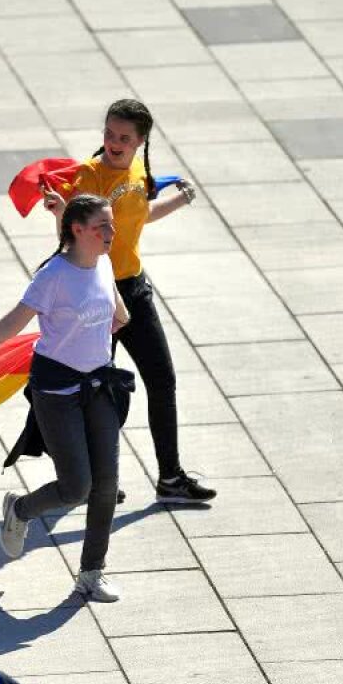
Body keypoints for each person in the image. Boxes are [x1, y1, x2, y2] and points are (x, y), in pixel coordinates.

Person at [0, 194, 132, 602]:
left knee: (106, 484)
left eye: (111, 225)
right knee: (76, 486)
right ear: (78, 230)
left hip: (99, 386)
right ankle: (21, 510)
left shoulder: (104, 262)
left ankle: (91, 572)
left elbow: (120, 317)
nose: (111, 233)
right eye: (103, 227)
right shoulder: (52, 276)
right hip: (57, 392)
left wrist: (96, 334)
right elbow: (11, 324)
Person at [43, 98, 216, 505]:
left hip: (133, 288)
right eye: (108, 134)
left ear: (141, 141)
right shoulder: (90, 174)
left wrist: (180, 200)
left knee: (162, 380)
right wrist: (60, 212)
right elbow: (75, 234)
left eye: (123, 137)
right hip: (97, 295)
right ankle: (89, 482)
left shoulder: (139, 170)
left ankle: (170, 478)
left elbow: (137, 218)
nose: (113, 143)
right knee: (94, 390)